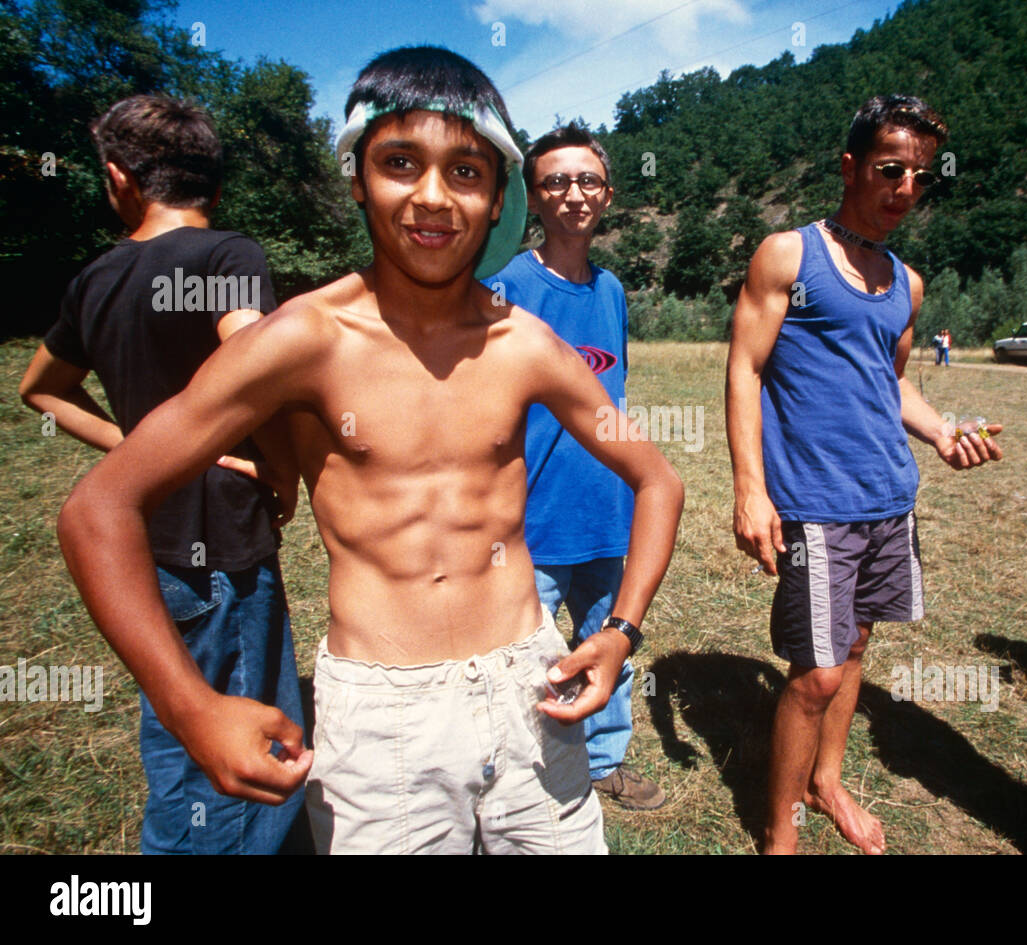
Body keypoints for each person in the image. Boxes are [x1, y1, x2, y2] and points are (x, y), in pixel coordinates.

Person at [55, 46, 684, 855]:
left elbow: (655, 476)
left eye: (466, 171)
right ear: (357, 177)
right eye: (399, 162)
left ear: (499, 199)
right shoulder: (302, 340)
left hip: (536, 689)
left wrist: (621, 630)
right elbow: (98, 507)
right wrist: (189, 704)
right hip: (385, 720)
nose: (432, 196)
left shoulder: (524, 343)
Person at [18, 95, 302, 855]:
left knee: (180, 728)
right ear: (214, 181)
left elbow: (39, 388)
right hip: (223, 547)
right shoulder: (226, 255)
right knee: (247, 747)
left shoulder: (96, 278)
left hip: (145, 543)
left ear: (120, 178)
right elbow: (257, 366)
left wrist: (141, 451)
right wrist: (281, 471)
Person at [726, 94, 1003, 855]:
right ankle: (781, 826)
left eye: (920, 177)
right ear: (850, 166)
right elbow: (745, 369)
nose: (906, 189)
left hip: (887, 499)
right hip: (814, 501)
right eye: (890, 170)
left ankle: (828, 779)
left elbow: (892, 382)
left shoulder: (905, 283)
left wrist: (943, 430)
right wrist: (751, 489)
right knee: (814, 673)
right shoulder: (789, 254)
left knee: (853, 652)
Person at [487, 123, 664, 810]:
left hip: (607, 509)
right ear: (533, 197)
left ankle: (601, 762)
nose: (573, 193)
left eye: (587, 179)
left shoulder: (612, 289)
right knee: (517, 660)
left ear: (608, 195)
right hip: (528, 514)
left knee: (609, 644)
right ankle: (511, 774)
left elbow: (612, 398)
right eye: (555, 180)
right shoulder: (503, 286)